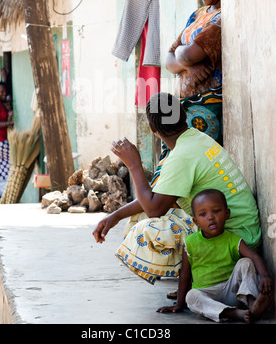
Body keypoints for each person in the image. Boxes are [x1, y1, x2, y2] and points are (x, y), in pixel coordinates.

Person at [93, 92, 261, 284]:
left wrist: (134, 165)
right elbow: (155, 198)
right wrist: (115, 216)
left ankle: (207, 277)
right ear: (184, 113)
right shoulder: (196, 138)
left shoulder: (182, 156)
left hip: (237, 239)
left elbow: (154, 209)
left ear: (151, 128)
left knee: (147, 230)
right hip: (244, 230)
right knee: (136, 217)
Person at [157, 189, 273, 323]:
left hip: (233, 292)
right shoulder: (190, 243)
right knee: (192, 296)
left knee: (246, 262)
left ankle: (253, 304)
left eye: (216, 211)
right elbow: (185, 274)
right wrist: (179, 303)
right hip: (207, 295)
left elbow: (255, 257)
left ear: (227, 213)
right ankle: (233, 313)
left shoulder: (233, 239)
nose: (210, 217)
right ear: (196, 221)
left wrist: (265, 276)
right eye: (203, 214)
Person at [166, 0, 222, 144]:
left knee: (202, 162)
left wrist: (182, 57)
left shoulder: (220, 18)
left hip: (208, 105)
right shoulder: (198, 15)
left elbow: (187, 54)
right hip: (186, 107)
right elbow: (167, 59)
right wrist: (187, 66)